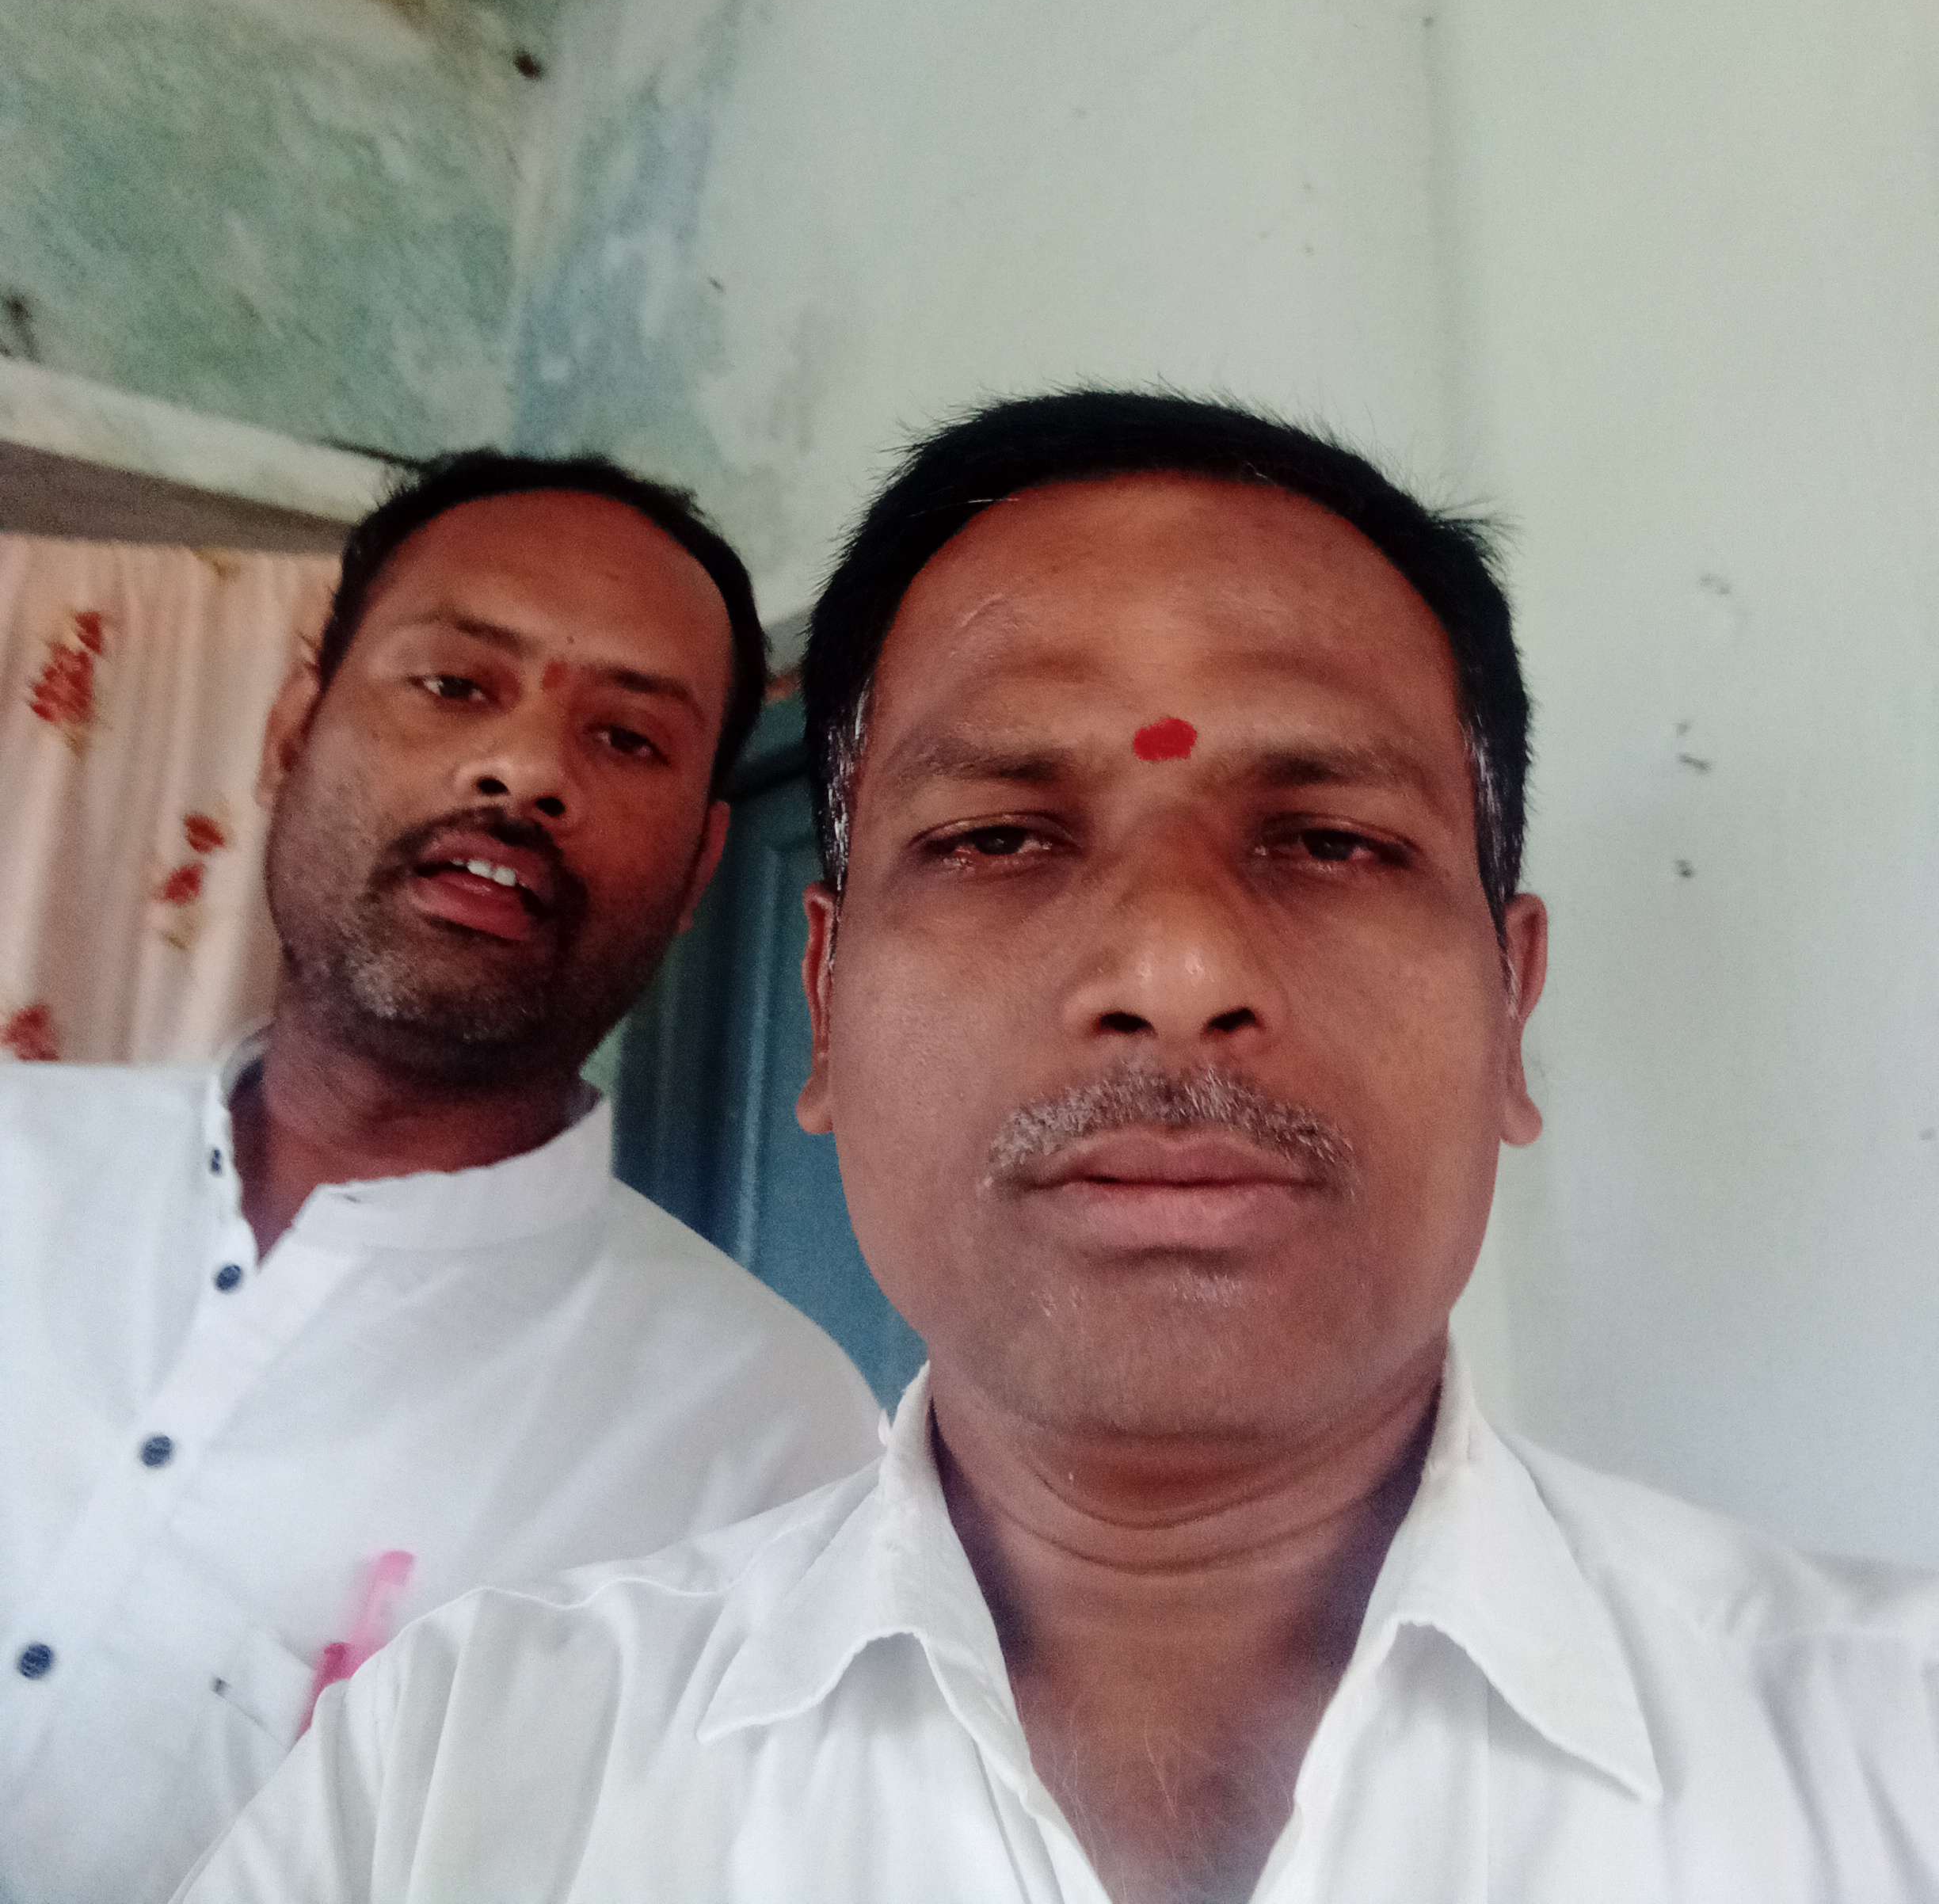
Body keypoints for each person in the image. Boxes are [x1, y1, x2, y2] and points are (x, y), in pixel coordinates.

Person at [177, 394, 1939, 1904]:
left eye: (1328, 842)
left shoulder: (1885, 1754)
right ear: (824, 1006)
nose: (1172, 972)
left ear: (1511, 1007)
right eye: (1002, 837)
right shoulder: (454, 1781)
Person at [0, 450, 879, 1904]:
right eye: (456, 685)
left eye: (627, 738)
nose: (524, 771)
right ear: (294, 729)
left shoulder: (772, 1450)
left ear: (701, 863)